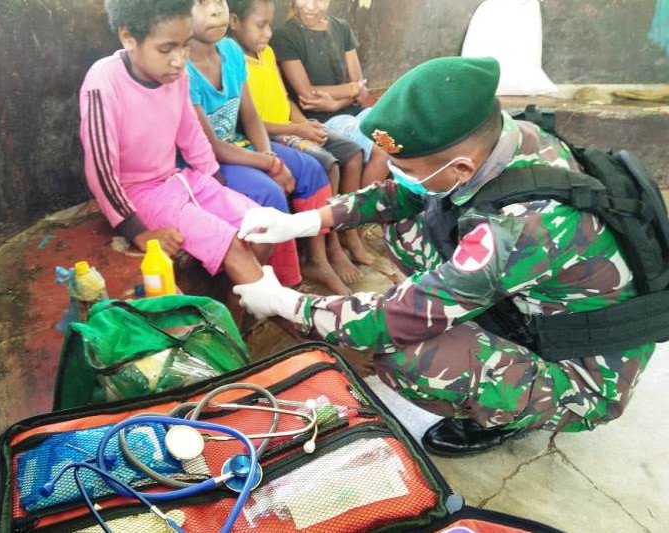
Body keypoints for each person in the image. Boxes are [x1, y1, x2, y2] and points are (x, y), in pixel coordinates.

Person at [232, 56, 657, 456]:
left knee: (405, 354)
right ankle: (478, 328)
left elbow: (392, 320)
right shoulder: (505, 139)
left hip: (581, 372)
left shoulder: (522, 227)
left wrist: (286, 303)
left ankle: (506, 414)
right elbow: (399, 196)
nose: (397, 175)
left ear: (461, 168)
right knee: (409, 223)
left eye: (406, 169)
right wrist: (305, 221)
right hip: (537, 308)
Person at [79, 0, 271, 293]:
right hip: (137, 195)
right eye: (166, 49)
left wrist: (216, 183)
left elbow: (191, 133)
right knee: (232, 244)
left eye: (185, 47)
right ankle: (238, 314)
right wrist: (139, 233)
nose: (179, 61)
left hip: (180, 181)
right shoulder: (103, 82)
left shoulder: (178, 76)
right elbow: (100, 170)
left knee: (262, 230)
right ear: (128, 37)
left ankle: (234, 309)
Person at [186, 0, 352, 295]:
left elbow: (250, 115)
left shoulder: (230, 51)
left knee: (312, 168)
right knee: (270, 193)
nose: (215, 10)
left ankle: (317, 260)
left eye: (219, 1)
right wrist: (270, 164)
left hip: (241, 143)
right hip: (211, 159)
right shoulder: (182, 70)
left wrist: (269, 155)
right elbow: (211, 147)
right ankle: (285, 282)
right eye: (202, 3)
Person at [228, 0, 366, 286]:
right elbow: (249, 122)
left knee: (351, 153)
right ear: (235, 22)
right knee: (326, 164)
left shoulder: (267, 53)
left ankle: (337, 241)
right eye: (261, 25)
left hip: (291, 126)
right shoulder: (234, 60)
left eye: (269, 25)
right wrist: (297, 130)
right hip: (272, 133)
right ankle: (320, 256)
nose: (268, 33)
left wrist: (305, 124)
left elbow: (285, 98)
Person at [271, 0, 388, 264]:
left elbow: (361, 89)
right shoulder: (286, 35)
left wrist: (338, 99)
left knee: (388, 140)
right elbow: (307, 94)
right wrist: (351, 90)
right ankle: (351, 231)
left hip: (348, 111)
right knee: (368, 150)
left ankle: (359, 225)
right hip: (322, 119)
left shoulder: (341, 28)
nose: (311, 6)